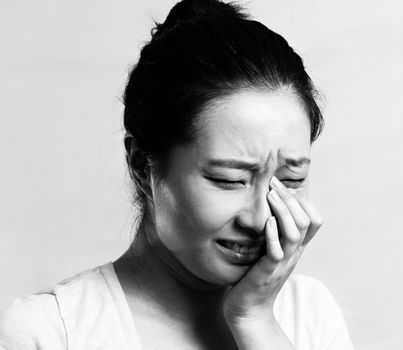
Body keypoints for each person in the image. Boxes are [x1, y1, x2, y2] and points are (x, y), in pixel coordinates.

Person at [0, 0, 354, 349]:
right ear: (142, 166)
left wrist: (255, 320)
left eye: (290, 180)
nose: (261, 217)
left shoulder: (309, 314)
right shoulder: (48, 333)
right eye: (229, 180)